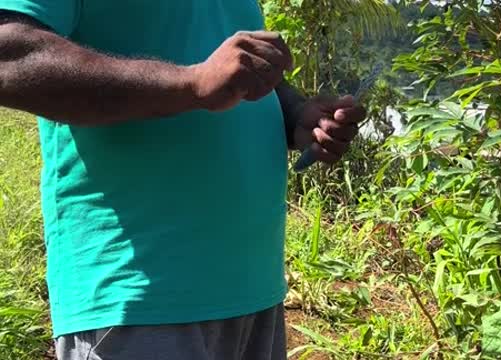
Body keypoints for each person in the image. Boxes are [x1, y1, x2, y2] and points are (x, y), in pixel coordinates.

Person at [0, 1, 366, 359]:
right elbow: (10, 55)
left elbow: (228, 74)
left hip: (255, 295)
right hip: (139, 297)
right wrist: (192, 84)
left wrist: (296, 114)